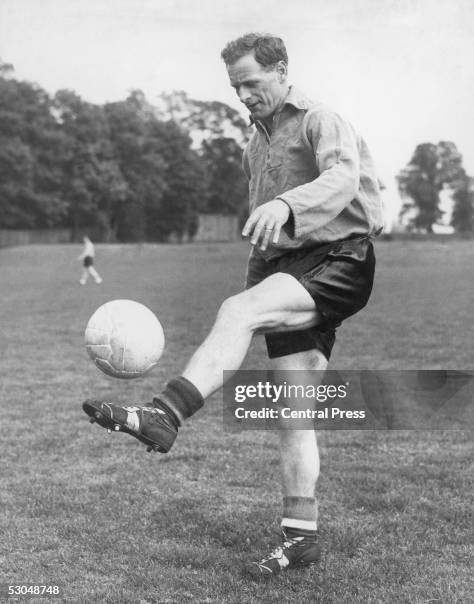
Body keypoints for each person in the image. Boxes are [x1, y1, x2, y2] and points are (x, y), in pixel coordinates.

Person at [83, 33, 383, 578]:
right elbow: (263, 234)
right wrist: (258, 271)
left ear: (281, 70)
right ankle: (300, 539)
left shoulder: (321, 118)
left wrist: (287, 205)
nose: (243, 95)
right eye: (235, 87)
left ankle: (164, 414)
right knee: (293, 415)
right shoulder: (256, 144)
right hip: (288, 266)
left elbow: (342, 180)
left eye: (251, 82)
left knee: (237, 312)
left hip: (341, 257)